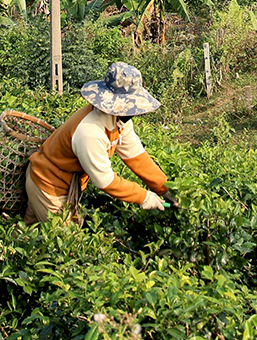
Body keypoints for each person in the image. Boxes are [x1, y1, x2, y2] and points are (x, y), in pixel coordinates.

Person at [24, 62, 172, 224]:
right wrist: (143, 196)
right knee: (66, 241)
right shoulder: (90, 132)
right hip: (49, 186)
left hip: (56, 181)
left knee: (30, 231)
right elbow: (104, 180)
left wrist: (164, 188)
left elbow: (136, 156)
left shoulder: (120, 120)